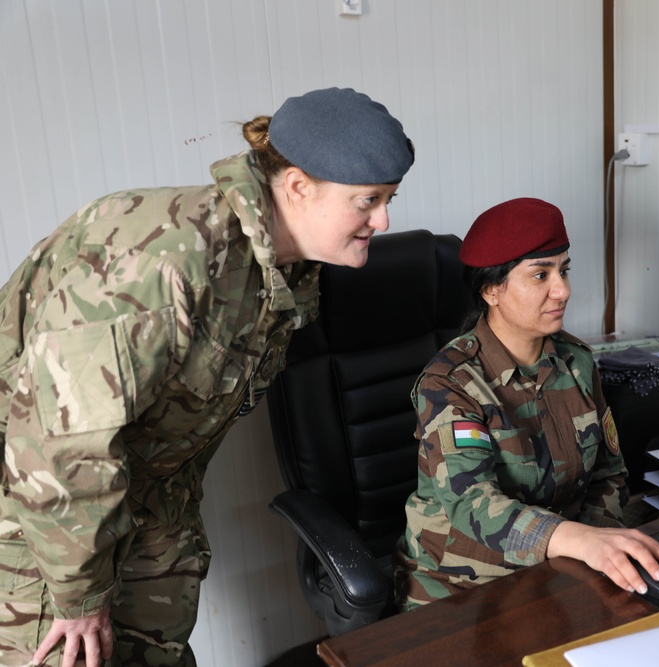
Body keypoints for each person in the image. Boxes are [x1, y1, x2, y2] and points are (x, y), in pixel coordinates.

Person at [0, 87, 414, 667]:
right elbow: (56, 447)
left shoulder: (287, 270)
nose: (385, 219)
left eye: (390, 199)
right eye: (368, 201)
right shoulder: (163, 264)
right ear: (297, 186)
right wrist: (80, 595)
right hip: (38, 519)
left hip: (146, 499)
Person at [394, 197, 659, 610]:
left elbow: (609, 473)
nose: (561, 290)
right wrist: (578, 543)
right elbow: (472, 503)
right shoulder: (451, 382)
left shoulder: (576, 361)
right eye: (540, 275)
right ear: (492, 289)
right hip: (461, 588)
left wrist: (599, 550)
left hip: (558, 572)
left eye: (564, 270)